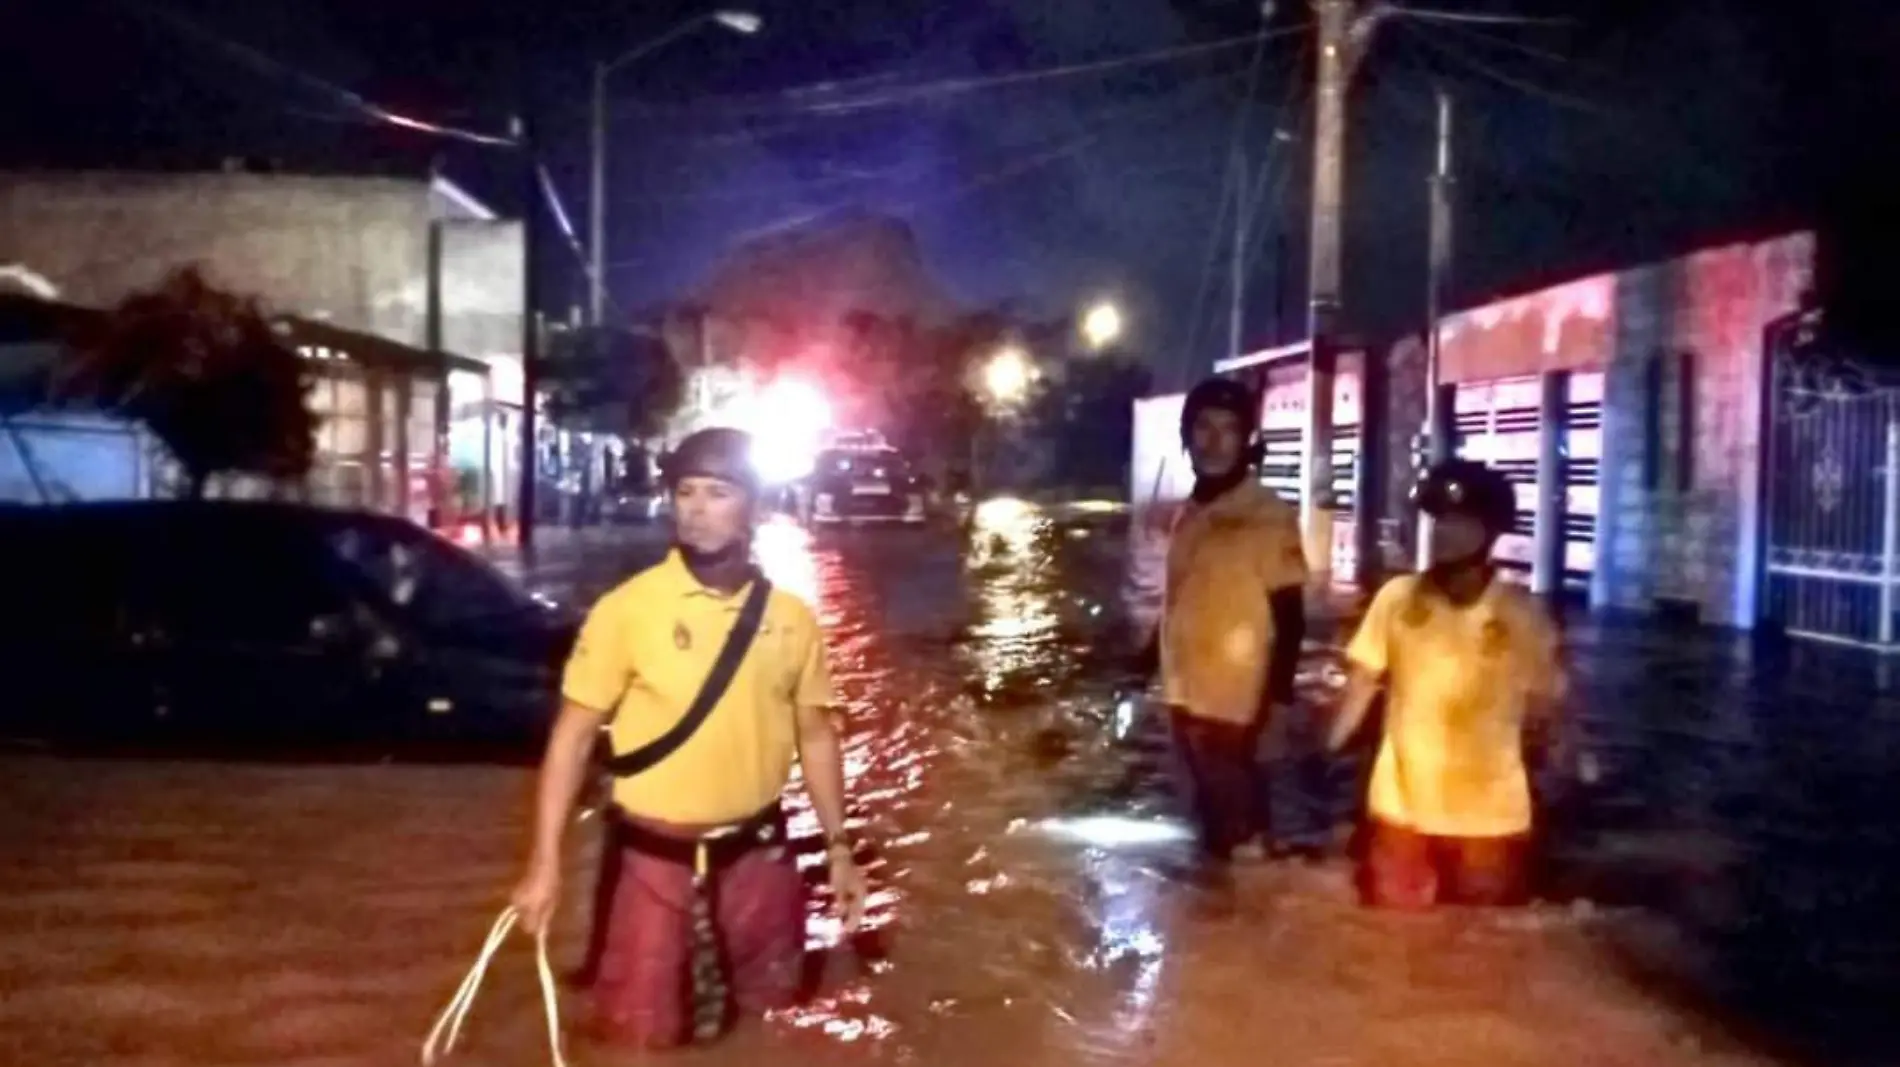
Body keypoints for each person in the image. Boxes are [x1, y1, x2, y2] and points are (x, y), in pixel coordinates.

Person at [509, 427, 868, 1049]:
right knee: (636, 1035)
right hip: (655, 864)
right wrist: (545, 866)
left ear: (753, 506)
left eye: (718, 493)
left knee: (772, 1022)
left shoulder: (790, 621)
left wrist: (839, 850)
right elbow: (570, 738)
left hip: (759, 858)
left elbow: (815, 737)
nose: (697, 510)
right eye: (685, 492)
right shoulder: (628, 610)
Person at [1326, 458, 1566, 910]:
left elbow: (1549, 714)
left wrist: (1568, 768)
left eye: (1462, 521)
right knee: (1390, 948)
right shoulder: (1396, 599)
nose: (1444, 532)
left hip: (1490, 822)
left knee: (1479, 954)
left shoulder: (1524, 617)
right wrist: (1325, 757)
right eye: (1439, 520)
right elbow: (1359, 689)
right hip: (1401, 813)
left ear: (1491, 531)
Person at [1140, 377, 1308, 865]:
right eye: (1204, 429)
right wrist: (1145, 660)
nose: (1214, 442)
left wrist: (1277, 707)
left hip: (1235, 713)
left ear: (1247, 439)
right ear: (1187, 436)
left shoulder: (1266, 515)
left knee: (1241, 841)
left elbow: (1291, 619)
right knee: (1211, 838)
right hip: (1186, 700)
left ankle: (1255, 924)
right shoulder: (1193, 511)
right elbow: (1187, 600)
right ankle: (1216, 926)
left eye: (1228, 430)